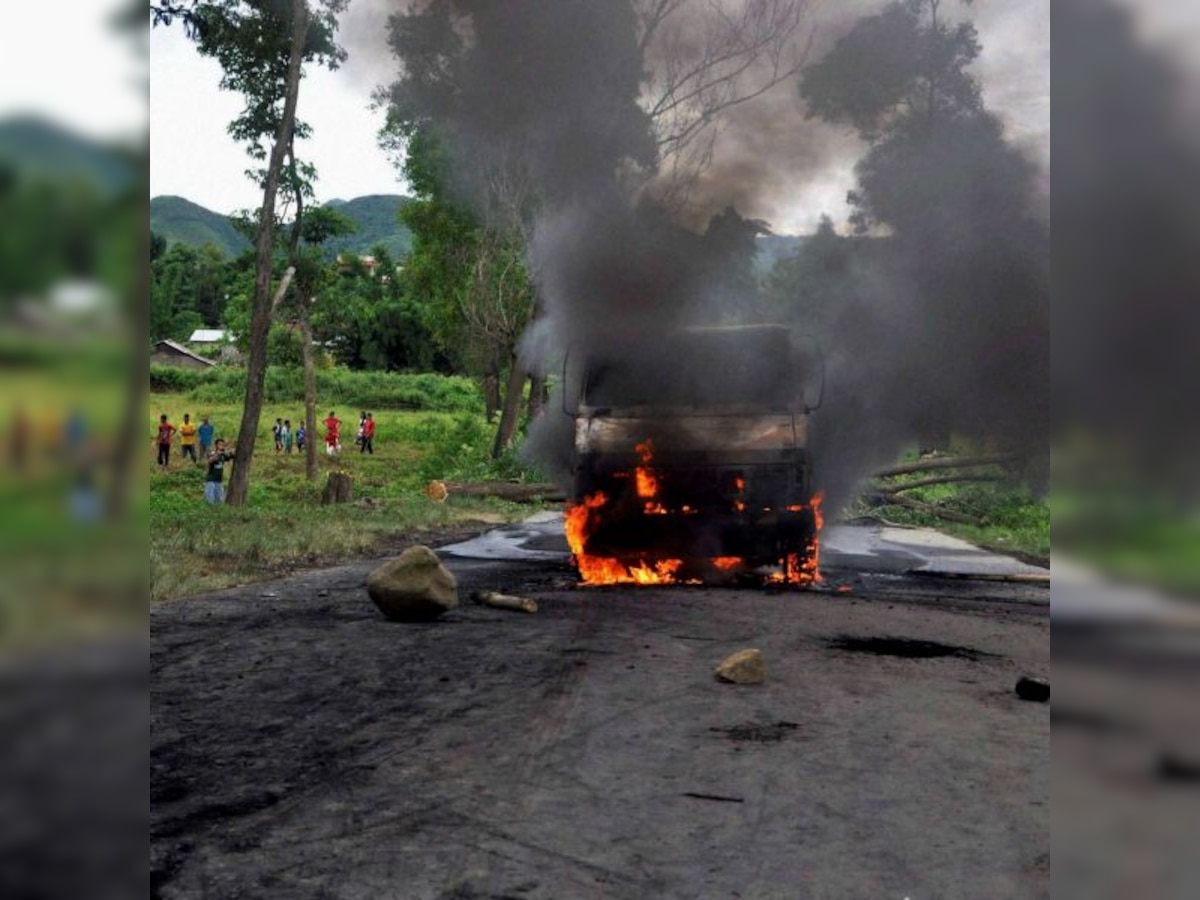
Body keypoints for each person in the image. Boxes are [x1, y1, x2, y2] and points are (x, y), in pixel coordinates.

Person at [204, 438, 235, 504]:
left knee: (220, 500)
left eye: (223, 445)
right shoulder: (213, 453)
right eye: (220, 444)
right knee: (210, 500)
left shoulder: (223, 455)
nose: (221, 446)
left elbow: (232, 455)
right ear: (216, 445)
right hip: (210, 480)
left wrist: (229, 451)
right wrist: (218, 454)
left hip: (219, 480)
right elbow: (210, 460)